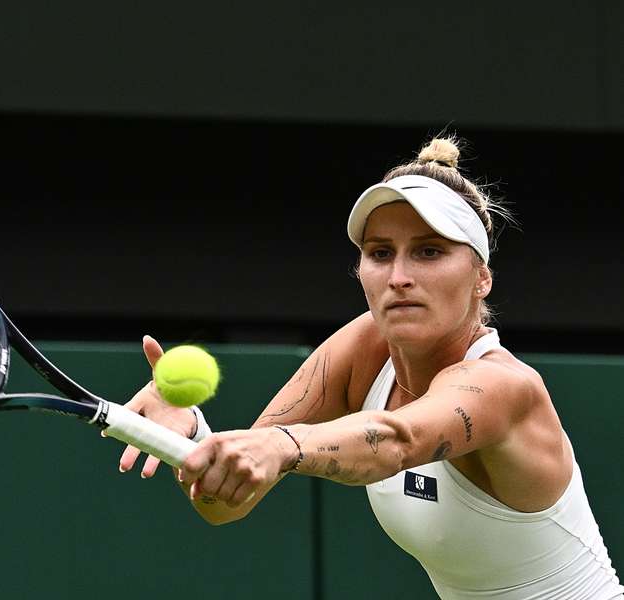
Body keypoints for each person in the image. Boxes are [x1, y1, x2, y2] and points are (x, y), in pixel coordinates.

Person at [116, 137, 624, 599]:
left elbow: (397, 439)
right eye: (381, 253)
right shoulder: (365, 346)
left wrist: (280, 445)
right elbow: (227, 504)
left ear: (481, 278)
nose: (399, 277)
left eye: (429, 252)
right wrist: (189, 440)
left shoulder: (503, 386)